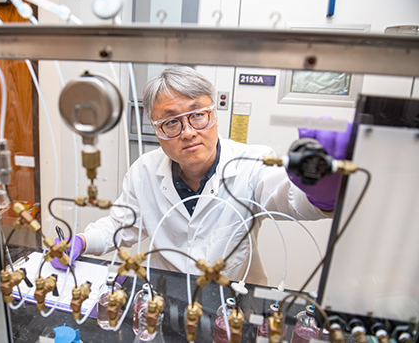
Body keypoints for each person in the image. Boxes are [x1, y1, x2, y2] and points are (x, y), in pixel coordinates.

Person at [57, 66, 345, 285]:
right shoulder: (144, 170)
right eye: (171, 122)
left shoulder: (252, 162)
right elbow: (121, 225)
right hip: (165, 293)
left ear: (214, 114)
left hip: (233, 300)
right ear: (157, 131)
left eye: (198, 115)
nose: (189, 132)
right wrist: (82, 241)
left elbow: (290, 200)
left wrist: (322, 190)